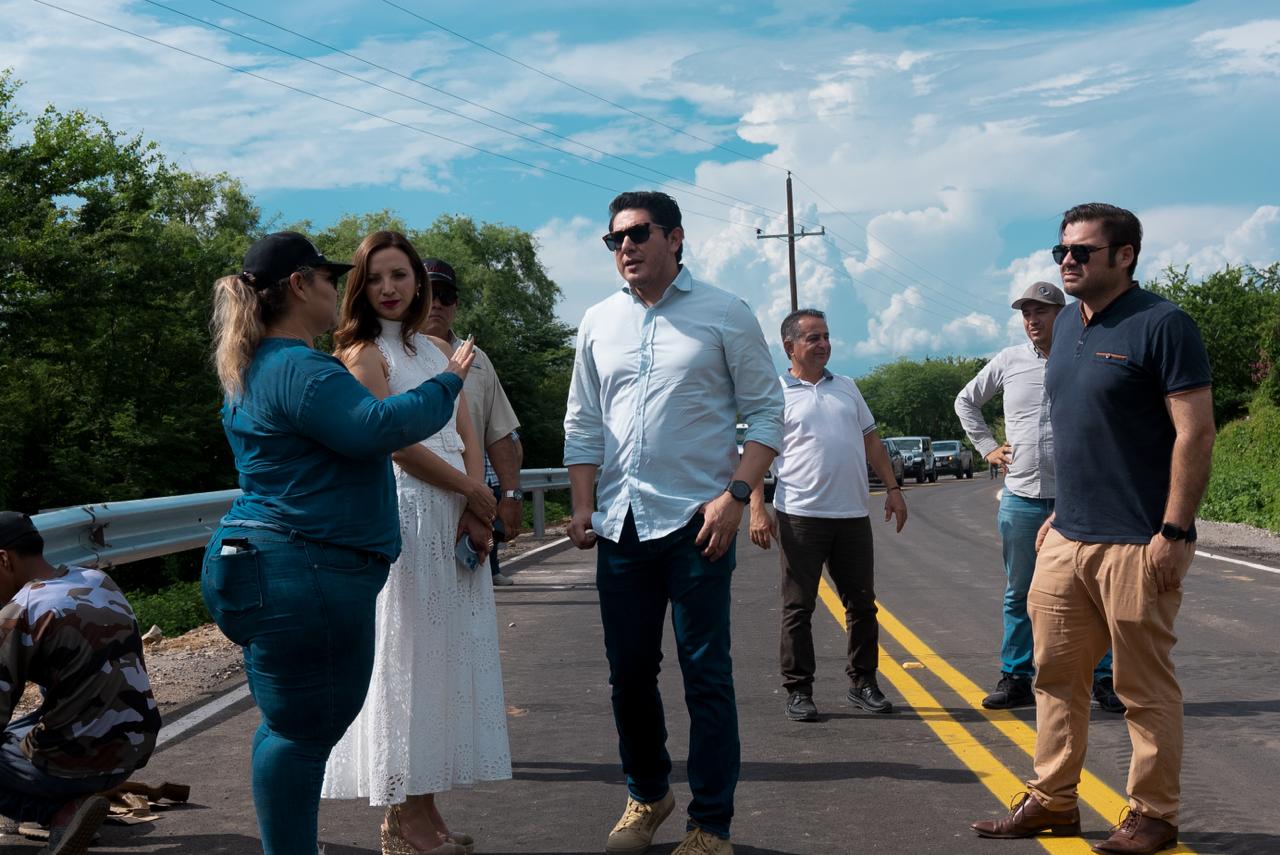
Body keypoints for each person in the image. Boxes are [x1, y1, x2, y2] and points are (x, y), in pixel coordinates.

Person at [202, 231, 475, 855]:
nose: (338, 289)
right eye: (329, 278)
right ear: (300, 286)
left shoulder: (254, 365)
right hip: (304, 571)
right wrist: (448, 382)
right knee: (301, 736)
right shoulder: (300, 368)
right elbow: (374, 427)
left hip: (257, 562)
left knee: (286, 730)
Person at [971, 204, 1215, 854]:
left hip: (1137, 540)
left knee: (1141, 687)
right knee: (1053, 677)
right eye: (1062, 252)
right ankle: (1053, 800)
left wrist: (1175, 529)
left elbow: (1195, 432)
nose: (1068, 261)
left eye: (1082, 251)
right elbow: (1081, 435)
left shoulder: (1161, 324)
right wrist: (1060, 513)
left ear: (1125, 255)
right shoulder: (1067, 332)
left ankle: (1154, 815)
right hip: (1067, 536)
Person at [564, 191, 783, 855]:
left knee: (705, 675)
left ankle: (710, 824)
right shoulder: (598, 321)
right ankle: (648, 792)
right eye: (615, 239)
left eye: (638, 234)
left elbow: (767, 412)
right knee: (628, 674)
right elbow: (583, 420)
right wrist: (582, 503)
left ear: (675, 238)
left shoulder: (724, 312)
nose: (625, 247)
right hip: (621, 524)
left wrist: (736, 496)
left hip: (698, 523)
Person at [323, 230, 511, 855]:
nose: (389, 288)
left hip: (455, 509)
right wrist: (472, 490)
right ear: (360, 285)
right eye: (376, 277)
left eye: (400, 275)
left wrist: (477, 504)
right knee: (407, 659)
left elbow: (467, 427)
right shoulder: (363, 353)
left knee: (443, 661)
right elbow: (395, 443)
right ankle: (402, 815)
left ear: (418, 282)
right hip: (407, 516)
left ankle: (425, 808)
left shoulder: (436, 348)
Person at [954, 282, 1123, 713]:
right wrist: (987, 448)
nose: (1032, 320)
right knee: (1020, 592)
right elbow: (965, 401)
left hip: (1079, 499)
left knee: (1092, 592)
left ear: (1061, 314)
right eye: (1026, 313)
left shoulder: (1084, 354)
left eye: (1041, 312)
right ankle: (1015, 678)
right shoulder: (1009, 360)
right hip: (1023, 497)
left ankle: (1103, 679)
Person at [747, 309, 907, 723]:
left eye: (826, 336)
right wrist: (756, 508)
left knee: (862, 605)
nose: (823, 344)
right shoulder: (774, 393)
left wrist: (893, 490)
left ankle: (863, 683)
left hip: (852, 514)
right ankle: (799, 690)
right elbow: (756, 454)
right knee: (798, 607)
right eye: (813, 338)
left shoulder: (847, 387)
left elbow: (872, 443)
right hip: (800, 516)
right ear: (789, 347)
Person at [0, 511, 161, 855]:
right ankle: (74, 800)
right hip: (134, 748)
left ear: (3, 559)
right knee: (24, 727)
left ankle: (58, 812)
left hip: (75, 763)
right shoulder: (97, 580)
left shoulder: (20, 611)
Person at [419, 258, 524, 587]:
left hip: (472, 507)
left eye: (446, 295)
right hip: (412, 506)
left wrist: (510, 495)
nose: (437, 303)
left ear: (457, 304)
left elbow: (500, 434)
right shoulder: (386, 355)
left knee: (467, 600)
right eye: (429, 294)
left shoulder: (477, 360)